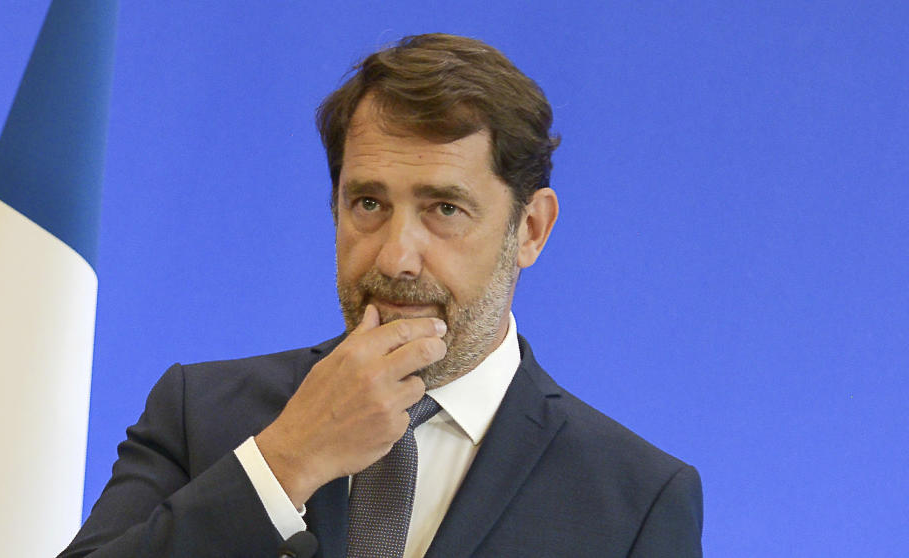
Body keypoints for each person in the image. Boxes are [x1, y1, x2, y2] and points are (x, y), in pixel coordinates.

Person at [61, 33, 703, 557]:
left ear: (529, 230)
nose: (397, 258)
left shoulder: (636, 499)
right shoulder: (198, 414)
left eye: (445, 209)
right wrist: (285, 461)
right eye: (368, 203)